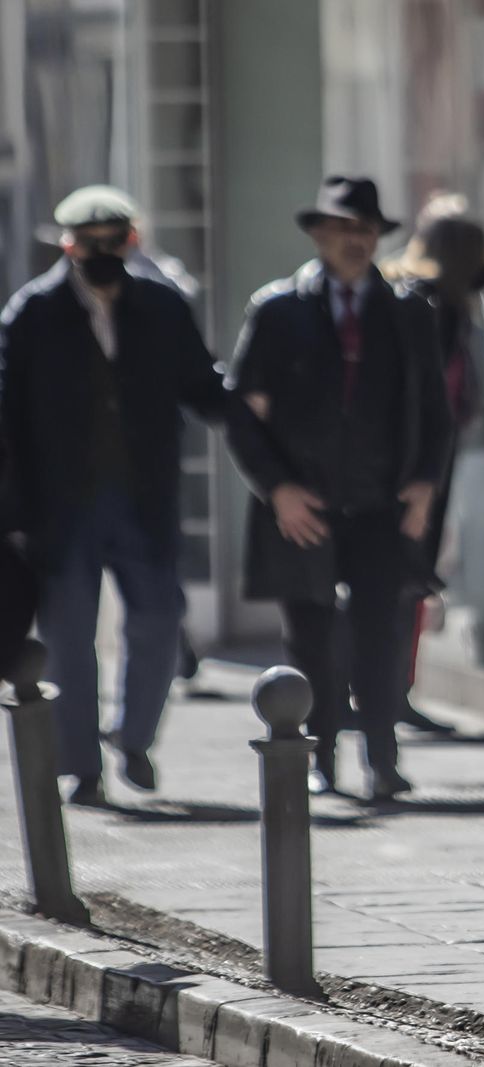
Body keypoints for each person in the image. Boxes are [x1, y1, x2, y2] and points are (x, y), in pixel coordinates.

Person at [0, 185, 276, 804]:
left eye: (113, 241)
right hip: (60, 509)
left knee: (158, 618)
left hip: (144, 503)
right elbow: (7, 415)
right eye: (87, 243)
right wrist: (14, 511)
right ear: (67, 245)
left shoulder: (161, 305)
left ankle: (132, 740)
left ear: (133, 241)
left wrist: (247, 399)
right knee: (69, 636)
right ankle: (81, 767)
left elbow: (200, 385)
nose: (101, 252)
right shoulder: (32, 313)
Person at [229, 176, 452, 803]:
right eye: (343, 229)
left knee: (382, 632)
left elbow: (437, 413)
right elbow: (244, 415)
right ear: (319, 235)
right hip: (306, 503)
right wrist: (278, 490)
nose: (355, 242)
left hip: (381, 502)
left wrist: (424, 486)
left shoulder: (408, 312)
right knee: (312, 636)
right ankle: (320, 754)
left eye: (366, 230)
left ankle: (382, 757)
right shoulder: (277, 310)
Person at [384, 193, 484, 738]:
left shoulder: (460, 300)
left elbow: (477, 374)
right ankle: (387, 689)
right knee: (409, 574)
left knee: (422, 575)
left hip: (460, 449)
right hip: (428, 459)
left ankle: (399, 688)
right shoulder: (423, 301)